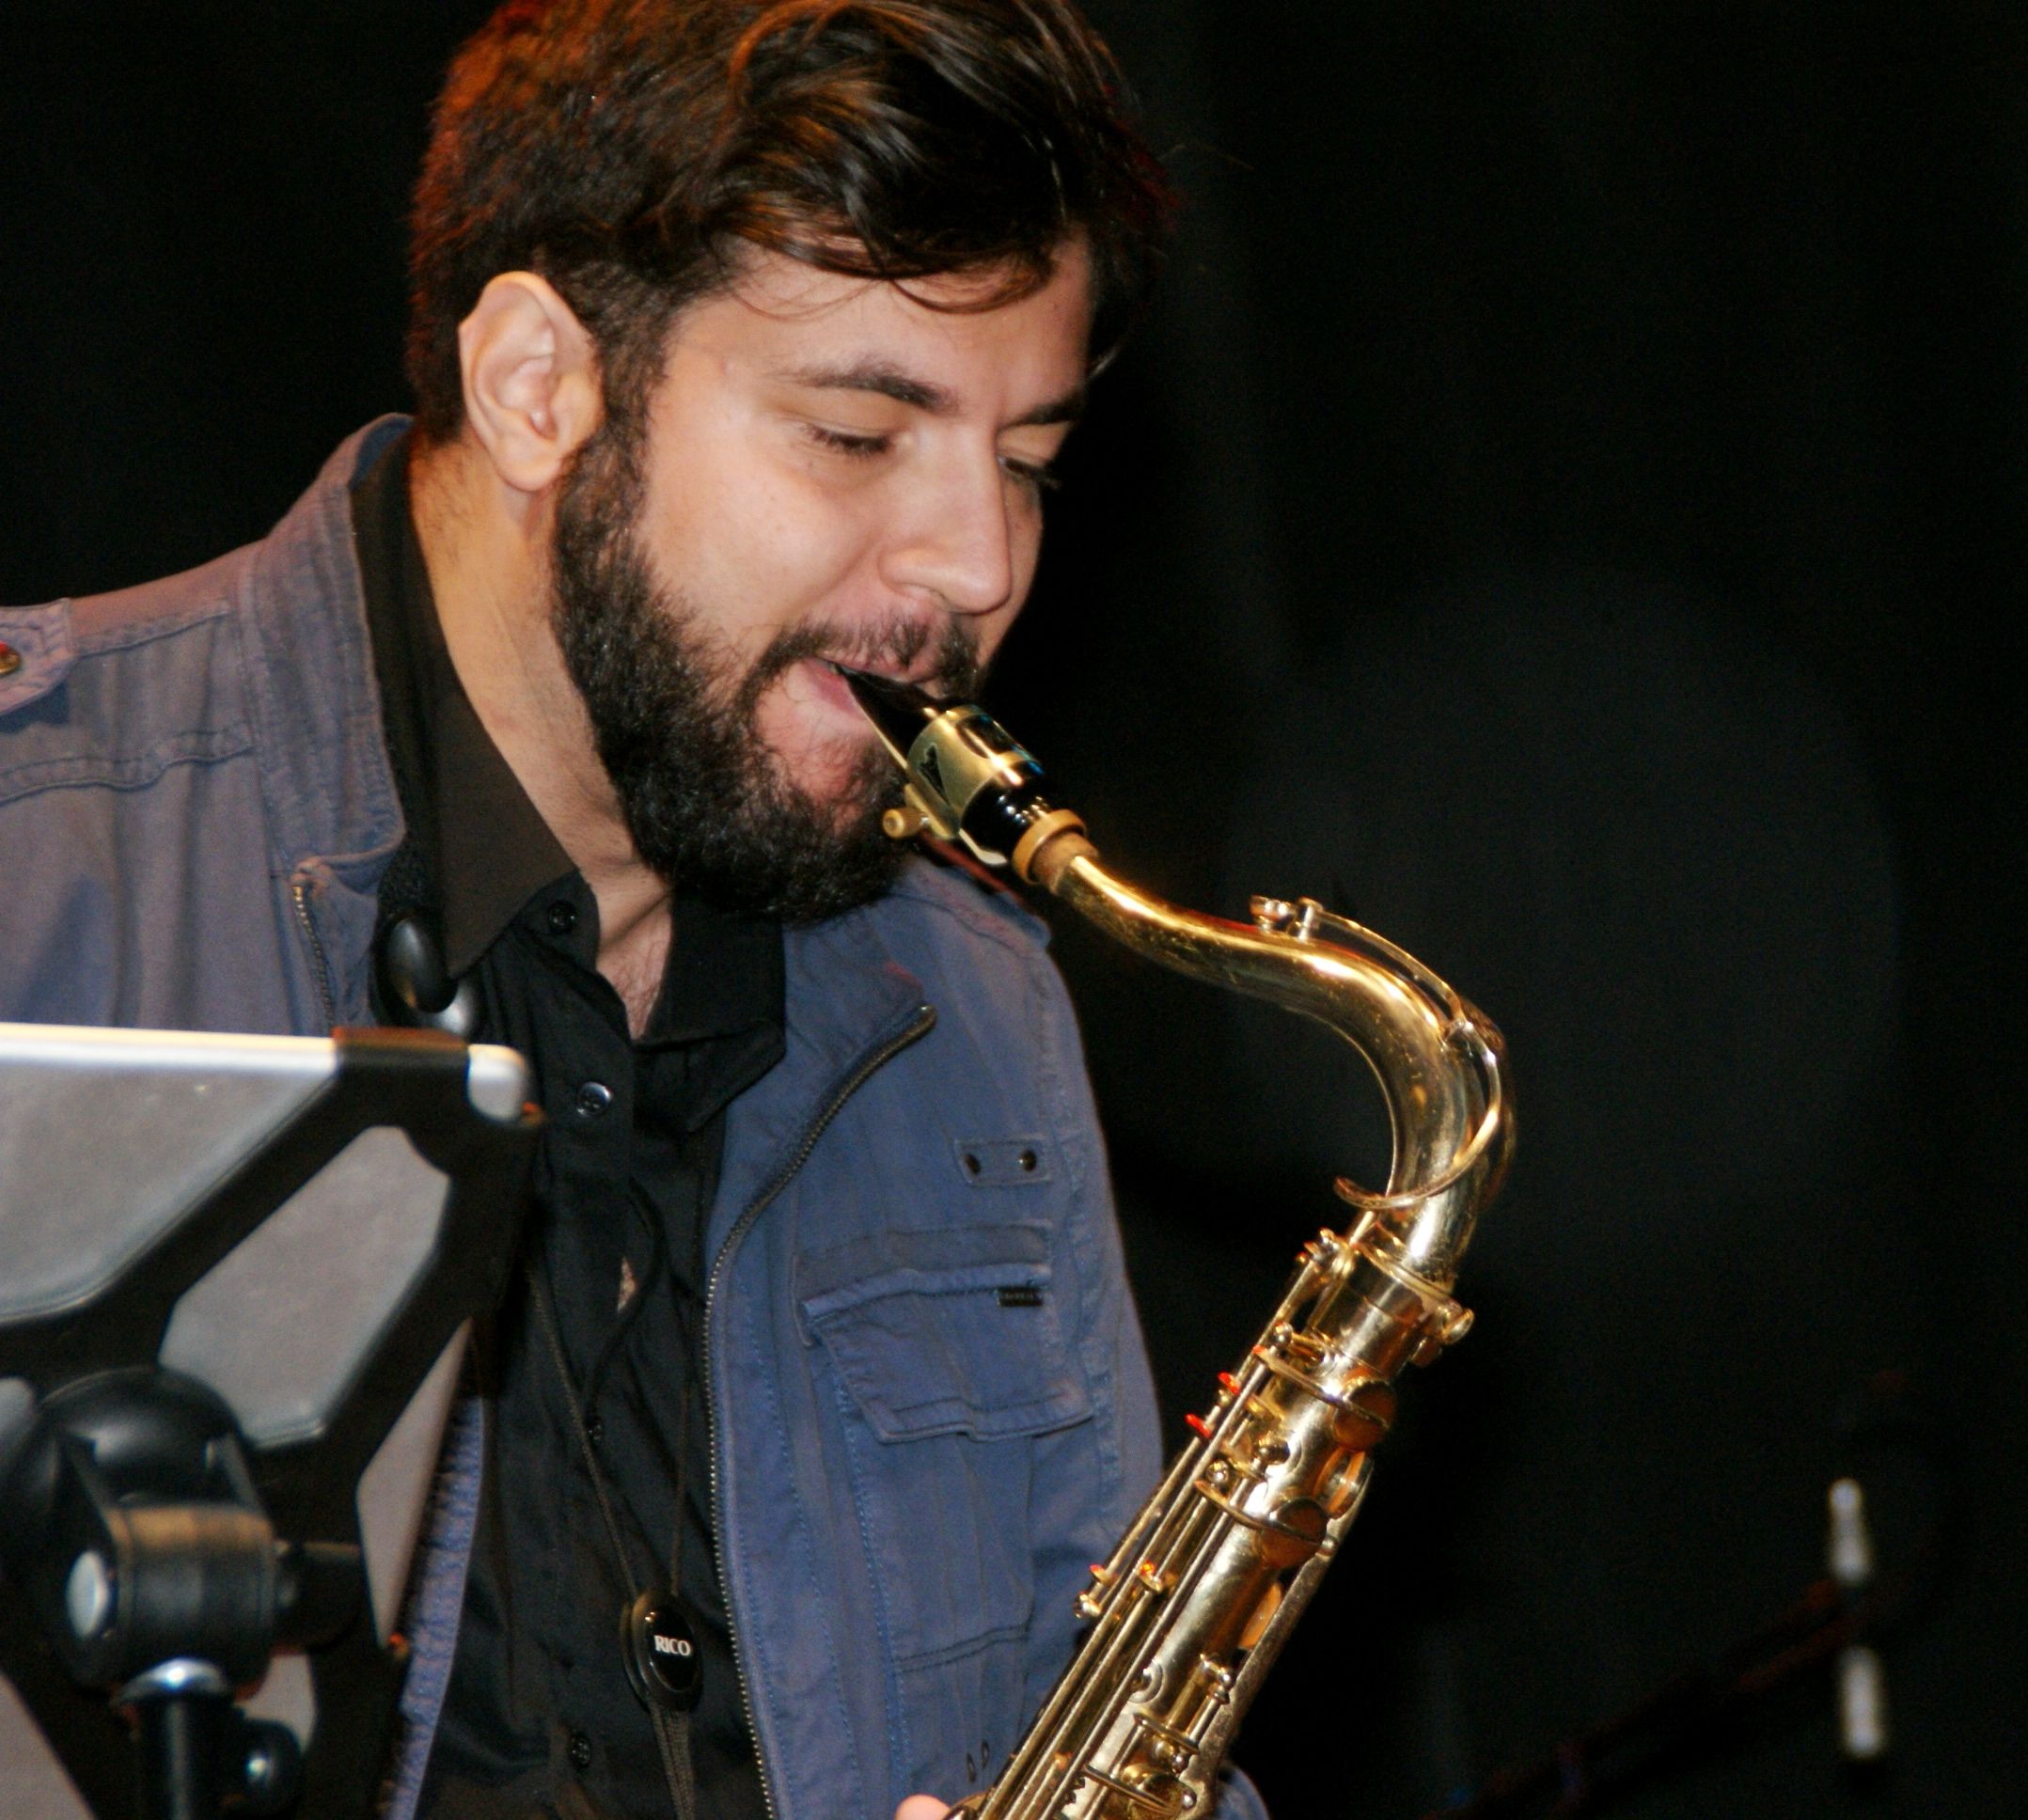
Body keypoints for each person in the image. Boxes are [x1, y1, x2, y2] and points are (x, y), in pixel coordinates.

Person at [0, 3, 1268, 1817]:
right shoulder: (36, 862)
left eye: (1026, 464)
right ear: (539, 386)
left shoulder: (974, 993)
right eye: (857, 434)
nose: (979, 567)